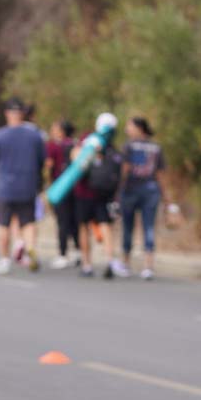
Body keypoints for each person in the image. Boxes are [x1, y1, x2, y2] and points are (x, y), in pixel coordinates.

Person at [0, 98, 45, 273]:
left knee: (4, 224)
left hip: (5, 187)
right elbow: (42, 160)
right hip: (28, 186)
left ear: (7, 114)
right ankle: (30, 248)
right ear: (23, 114)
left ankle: (4, 259)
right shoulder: (35, 135)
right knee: (28, 222)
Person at [117, 116, 171, 280]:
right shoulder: (156, 147)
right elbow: (160, 174)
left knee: (128, 226)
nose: (127, 129)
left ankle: (126, 264)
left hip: (130, 190)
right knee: (149, 227)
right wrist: (167, 198)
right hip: (151, 190)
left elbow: (124, 170)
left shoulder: (128, 146)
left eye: (129, 126)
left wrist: (117, 191)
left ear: (139, 128)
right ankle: (148, 267)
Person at [72, 112, 123, 278]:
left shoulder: (88, 139)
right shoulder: (112, 146)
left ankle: (87, 264)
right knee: (105, 225)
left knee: (84, 227)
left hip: (84, 192)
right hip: (103, 193)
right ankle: (109, 260)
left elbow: (75, 160)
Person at [44, 120, 78, 269]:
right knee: (75, 221)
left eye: (55, 128)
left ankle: (63, 254)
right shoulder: (76, 145)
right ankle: (79, 251)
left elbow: (48, 165)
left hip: (59, 188)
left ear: (62, 131)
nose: (52, 131)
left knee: (62, 221)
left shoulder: (52, 146)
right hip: (76, 188)